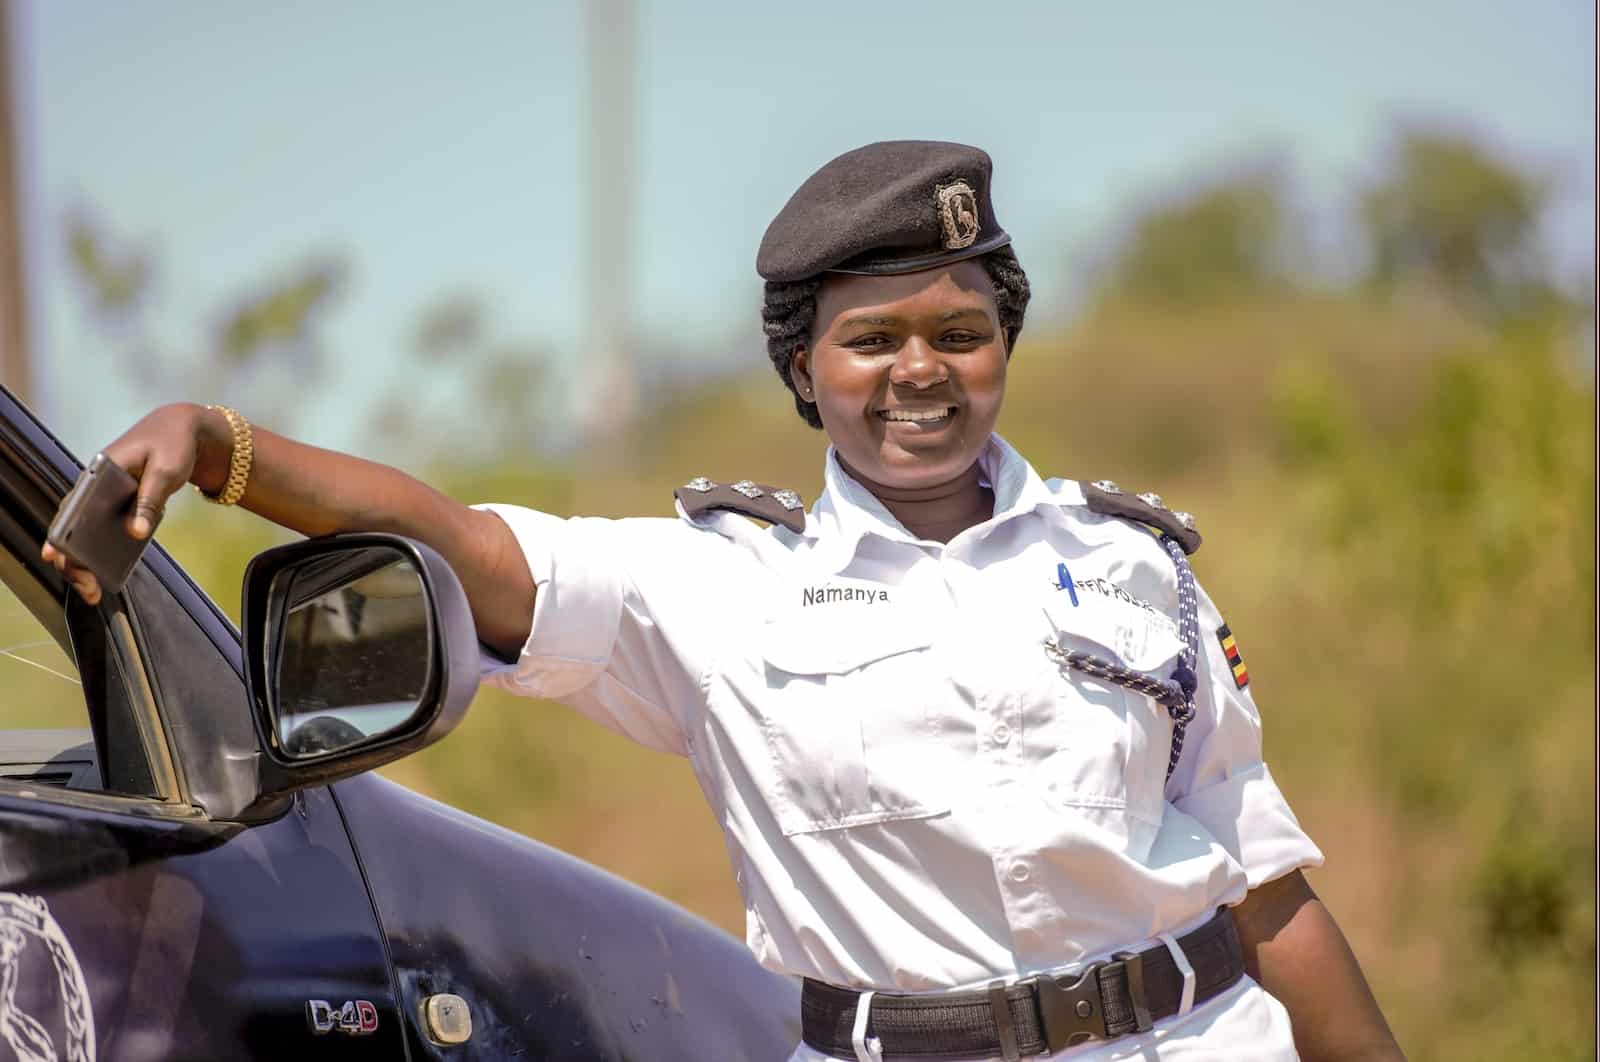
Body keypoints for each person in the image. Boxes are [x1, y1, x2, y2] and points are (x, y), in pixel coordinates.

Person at [44, 141, 1403, 1061]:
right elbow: (463, 541)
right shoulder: (715, 588)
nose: (920, 372)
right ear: (804, 369)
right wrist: (223, 449)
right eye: (872, 340)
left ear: (1005, 346)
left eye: (961, 332)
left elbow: (1265, 889)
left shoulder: (1135, 564)